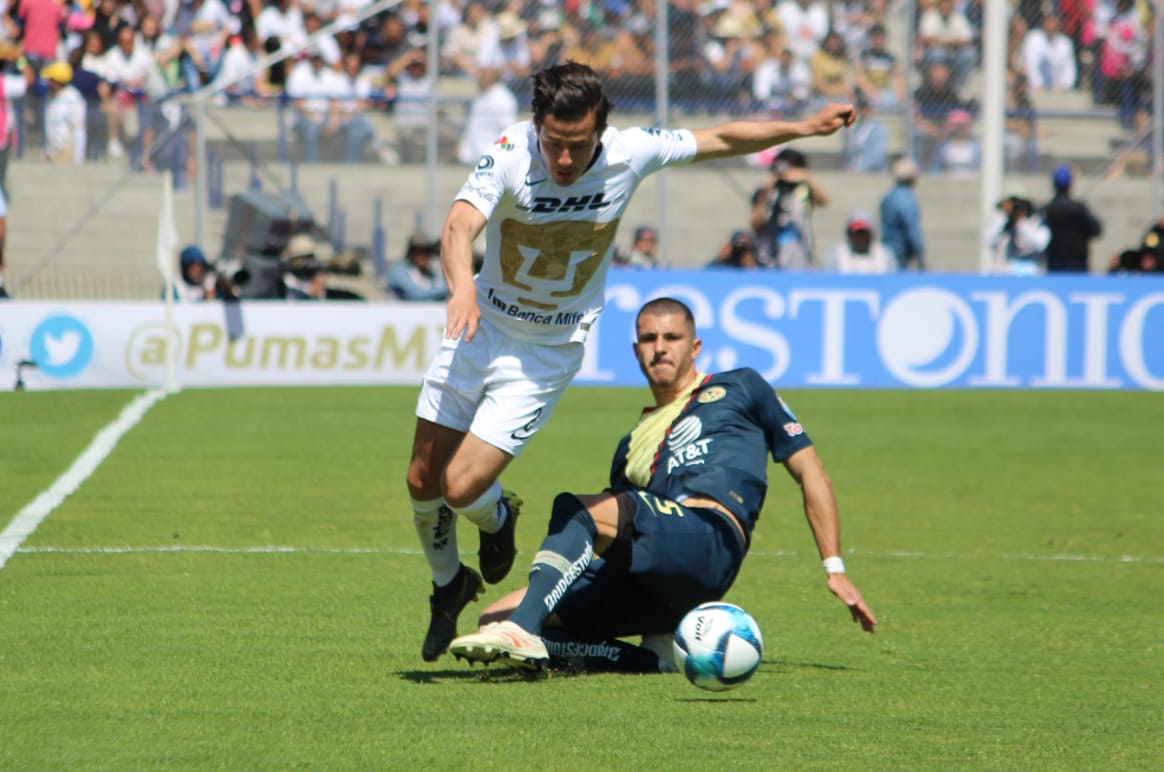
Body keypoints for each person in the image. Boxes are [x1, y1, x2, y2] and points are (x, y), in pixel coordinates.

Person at [407, 61, 856, 664]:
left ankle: (497, 520)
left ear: (601, 129)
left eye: (578, 145)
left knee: (461, 489)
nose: (563, 160)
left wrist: (804, 127)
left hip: (545, 351)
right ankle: (449, 586)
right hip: (479, 327)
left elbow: (723, 137)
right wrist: (462, 286)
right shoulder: (513, 148)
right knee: (419, 480)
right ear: (536, 123)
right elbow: (461, 224)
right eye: (554, 143)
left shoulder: (632, 151)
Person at [447, 297, 877, 672]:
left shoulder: (741, 387)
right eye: (649, 339)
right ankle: (651, 659)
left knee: (573, 511)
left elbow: (810, 470)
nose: (659, 348)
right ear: (636, 350)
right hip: (654, 582)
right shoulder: (632, 445)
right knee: (493, 619)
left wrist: (833, 566)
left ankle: (524, 631)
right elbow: (617, 533)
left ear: (695, 346)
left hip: (711, 540)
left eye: (671, 338)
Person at [751, 147, 830, 270]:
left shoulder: (802, 190)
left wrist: (805, 178)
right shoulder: (767, 191)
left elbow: (824, 200)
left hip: (799, 253)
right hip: (769, 255)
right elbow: (755, 223)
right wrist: (768, 189)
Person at [1040, 165, 1102, 273]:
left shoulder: (1046, 210)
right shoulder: (1080, 209)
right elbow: (1096, 230)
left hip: (1054, 265)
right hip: (1078, 266)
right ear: (1070, 184)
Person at [456, 64, 518, 166]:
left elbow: (508, 131)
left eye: (485, 73)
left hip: (491, 162)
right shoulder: (481, 96)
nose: (480, 76)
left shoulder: (503, 98)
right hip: (472, 158)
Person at [985, 188, 1051, 276]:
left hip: (1031, 274)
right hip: (1005, 274)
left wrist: (1020, 222)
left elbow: (1040, 244)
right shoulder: (1003, 223)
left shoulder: (1036, 222)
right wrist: (1002, 216)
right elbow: (988, 240)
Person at [879, 157, 926, 271]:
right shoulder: (907, 200)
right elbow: (913, 229)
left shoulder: (888, 197)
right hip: (900, 256)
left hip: (886, 251)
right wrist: (920, 256)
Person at [824, 211, 895, 273]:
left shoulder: (885, 256)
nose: (860, 238)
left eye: (863, 233)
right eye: (856, 233)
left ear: (871, 234)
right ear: (849, 234)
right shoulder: (837, 255)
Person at [386, 233, 448, 301]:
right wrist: (451, 288)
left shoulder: (430, 274)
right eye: (418, 251)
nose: (422, 255)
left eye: (427, 251)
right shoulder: (399, 270)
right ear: (411, 252)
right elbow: (416, 294)